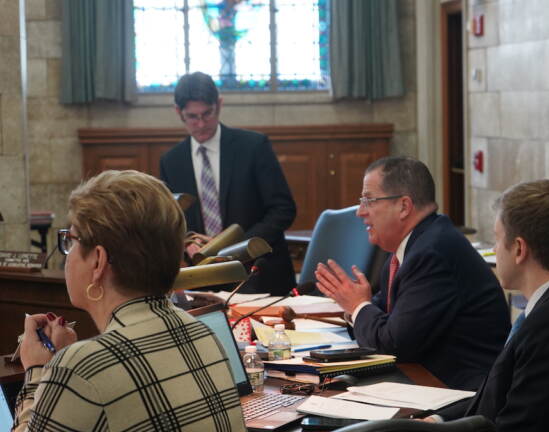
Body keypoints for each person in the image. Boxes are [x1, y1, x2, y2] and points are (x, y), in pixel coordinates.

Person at [14, 170, 246, 431]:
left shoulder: (80, 366)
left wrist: (37, 370)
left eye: (71, 240)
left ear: (98, 261)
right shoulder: (202, 333)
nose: (68, 254)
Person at [314, 156, 510, 391]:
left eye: (369, 200)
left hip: (457, 391)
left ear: (404, 206)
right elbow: (382, 318)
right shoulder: (413, 245)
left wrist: (357, 306)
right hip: (423, 378)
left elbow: (393, 345)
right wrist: (355, 306)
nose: (360, 212)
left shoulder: (432, 253)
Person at [434, 180, 549, 430]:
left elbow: (520, 426)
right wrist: (437, 420)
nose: (495, 249)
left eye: (497, 240)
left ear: (519, 249)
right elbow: (495, 397)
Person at [160, 71, 297, 295]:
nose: (201, 123)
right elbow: (174, 222)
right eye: (192, 117)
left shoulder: (253, 147)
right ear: (179, 112)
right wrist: (186, 245)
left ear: (219, 105)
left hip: (258, 272)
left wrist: (234, 247)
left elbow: (283, 209)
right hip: (203, 278)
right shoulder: (171, 161)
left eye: (208, 113)